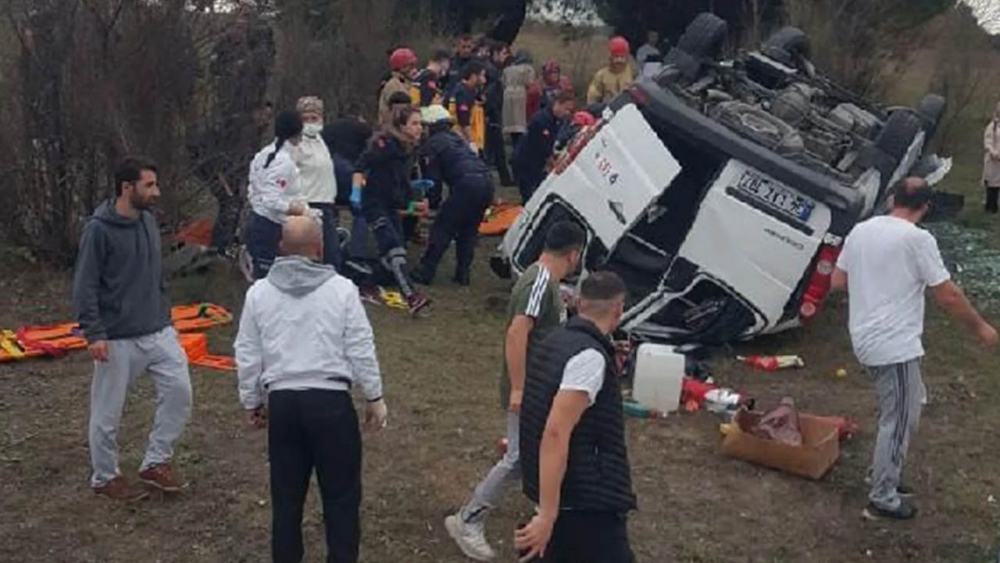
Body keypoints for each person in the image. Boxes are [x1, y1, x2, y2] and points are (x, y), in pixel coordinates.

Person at [831, 177, 997, 521]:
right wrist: (981, 328)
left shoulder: (862, 230)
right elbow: (947, 294)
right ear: (926, 206)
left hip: (865, 335)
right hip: (893, 344)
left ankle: (884, 468)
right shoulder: (917, 239)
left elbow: (838, 281)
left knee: (910, 403)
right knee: (900, 419)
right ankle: (883, 496)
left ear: (893, 199)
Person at [235, 216, 388, 563]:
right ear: (320, 250)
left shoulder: (259, 293)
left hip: (284, 404)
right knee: (342, 499)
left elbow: (247, 351)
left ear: (280, 250)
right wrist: (374, 396)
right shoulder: (342, 290)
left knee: (286, 501)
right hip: (332, 403)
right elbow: (360, 345)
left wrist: (251, 401)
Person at [445, 222, 586, 562]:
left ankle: (548, 514)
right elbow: (517, 333)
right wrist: (520, 388)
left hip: (540, 388)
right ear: (574, 253)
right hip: (531, 389)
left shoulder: (547, 283)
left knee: (537, 454)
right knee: (520, 457)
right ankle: (469, 518)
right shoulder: (539, 281)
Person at [72, 157, 192, 500]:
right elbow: (85, 285)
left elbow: (155, 275)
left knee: (180, 392)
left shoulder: (149, 222)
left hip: (157, 329)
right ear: (128, 188)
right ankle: (105, 477)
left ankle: (156, 463)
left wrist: (164, 314)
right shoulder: (99, 229)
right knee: (107, 411)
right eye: (149, 185)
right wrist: (94, 333)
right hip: (116, 337)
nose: (157, 191)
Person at [515, 271, 638, 563]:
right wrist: (548, 514)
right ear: (619, 309)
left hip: (560, 490)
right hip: (587, 499)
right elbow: (556, 432)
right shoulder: (589, 358)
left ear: (579, 303)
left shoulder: (554, 341)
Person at [353, 106, 432, 316]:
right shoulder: (385, 145)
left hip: (391, 206)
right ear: (401, 126)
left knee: (393, 256)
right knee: (393, 248)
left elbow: (399, 182)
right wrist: (355, 193)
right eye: (414, 124)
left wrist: (412, 200)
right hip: (374, 204)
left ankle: (365, 284)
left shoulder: (409, 149)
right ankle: (411, 297)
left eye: (420, 124)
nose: (419, 128)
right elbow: (360, 166)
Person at [411, 105, 496, 287]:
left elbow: (432, 180)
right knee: (468, 229)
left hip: (466, 185)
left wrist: (431, 203)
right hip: (486, 182)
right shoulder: (456, 139)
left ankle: (425, 272)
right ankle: (462, 273)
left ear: (431, 125)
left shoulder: (432, 145)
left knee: (443, 227)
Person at [245, 110, 311, 279]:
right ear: (297, 133)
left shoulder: (262, 154)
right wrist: (296, 210)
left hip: (259, 223)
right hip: (269, 229)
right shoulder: (283, 162)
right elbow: (270, 200)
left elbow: (252, 191)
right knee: (269, 283)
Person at [292, 96, 342, 269]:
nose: (311, 123)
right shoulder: (295, 144)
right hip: (307, 207)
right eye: (306, 119)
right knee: (314, 256)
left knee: (332, 255)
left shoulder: (321, 141)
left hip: (326, 204)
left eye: (314, 118)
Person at [323, 109, 374, 261]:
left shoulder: (329, 127)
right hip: (347, 171)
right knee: (362, 209)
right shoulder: (361, 128)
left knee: (328, 208)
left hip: (327, 170)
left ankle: (330, 245)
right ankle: (357, 254)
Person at [511, 90, 575, 204]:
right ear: (558, 104)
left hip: (536, 163)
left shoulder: (556, 121)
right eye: (566, 109)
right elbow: (542, 146)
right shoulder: (541, 119)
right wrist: (554, 164)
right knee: (529, 196)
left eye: (569, 110)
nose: (567, 113)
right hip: (525, 161)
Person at [484, 40, 514, 187]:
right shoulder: (492, 72)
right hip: (491, 115)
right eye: (503, 53)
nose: (505, 57)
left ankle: (504, 177)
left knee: (495, 148)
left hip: (493, 113)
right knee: (495, 148)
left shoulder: (495, 71)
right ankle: (503, 178)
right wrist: (492, 111)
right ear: (495, 53)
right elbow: (490, 95)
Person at [447, 60, 488, 154]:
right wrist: (471, 142)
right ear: (473, 76)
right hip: (462, 138)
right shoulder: (462, 92)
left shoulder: (470, 91)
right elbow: (463, 118)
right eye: (482, 75)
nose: (484, 80)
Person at [502, 50, 536, 151]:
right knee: (520, 124)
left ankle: (513, 147)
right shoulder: (528, 69)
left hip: (507, 95)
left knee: (512, 125)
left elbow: (503, 82)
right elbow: (530, 83)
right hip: (520, 95)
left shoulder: (507, 69)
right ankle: (519, 149)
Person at [587, 37, 636, 105]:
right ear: (611, 57)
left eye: (622, 57)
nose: (619, 60)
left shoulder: (633, 72)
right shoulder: (601, 75)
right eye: (616, 57)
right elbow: (592, 99)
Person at [379, 47, 418, 125]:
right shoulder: (394, 85)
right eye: (410, 66)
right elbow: (400, 113)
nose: (415, 70)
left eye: (414, 66)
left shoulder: (407, 84)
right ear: (402, 68)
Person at [983, 102, 1000, 213]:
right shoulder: (993, 125)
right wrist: (993, 152)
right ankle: (991, 206)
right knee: (992, 183)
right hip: (994, 159)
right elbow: (988, 139)